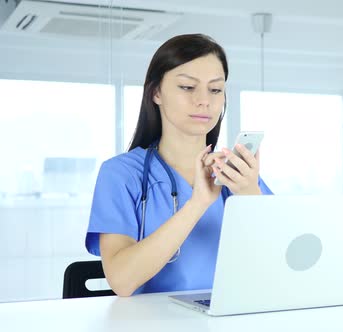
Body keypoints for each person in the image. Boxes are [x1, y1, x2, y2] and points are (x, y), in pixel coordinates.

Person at [85, 34, 273, 297]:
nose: (204, 100)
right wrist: (197, 204)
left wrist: (251, 194)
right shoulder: (121, 174)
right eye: (187, 87)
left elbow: (282, 262)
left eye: (215, 89)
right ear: (156, 92)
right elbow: (122, 281)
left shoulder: (238, 176)